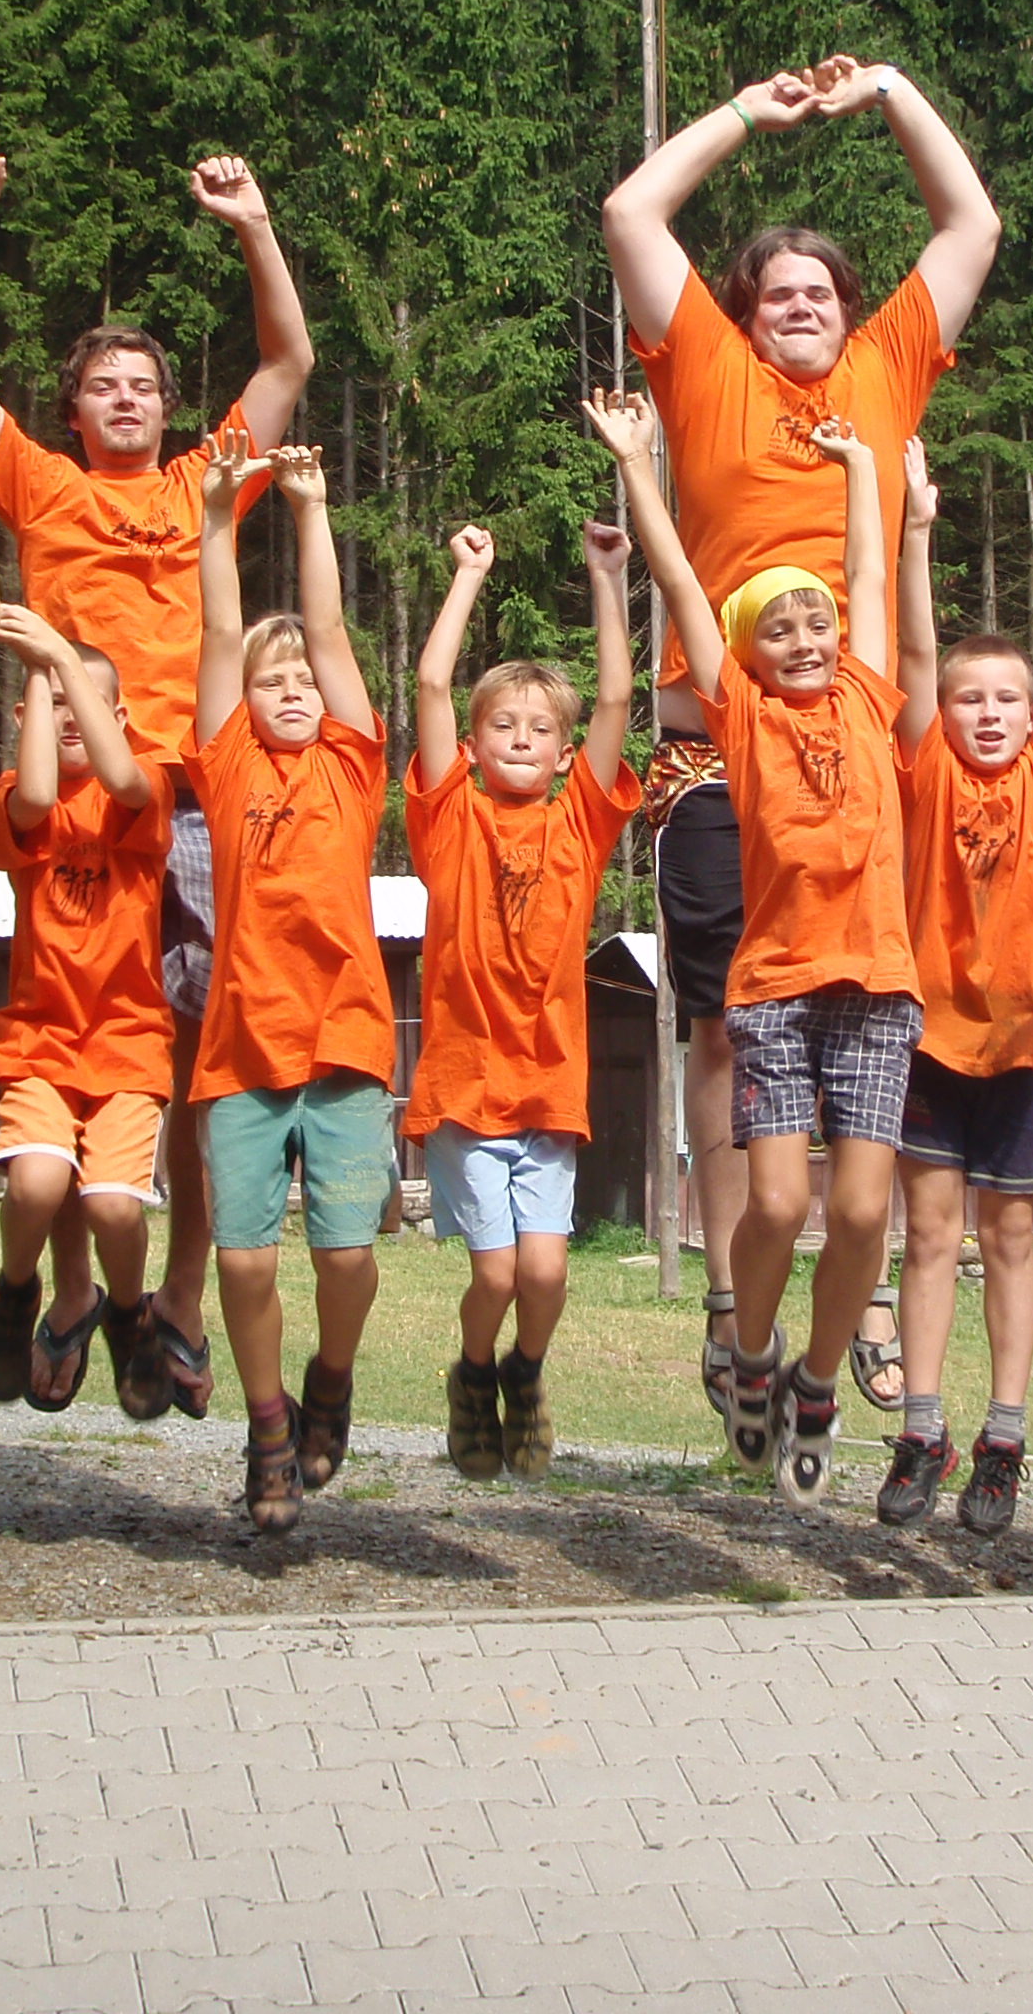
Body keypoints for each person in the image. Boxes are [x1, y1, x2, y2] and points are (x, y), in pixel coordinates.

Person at [600, 54, 999, 1427]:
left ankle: (859, 1291)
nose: (803, 305)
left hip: (860, 749)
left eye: (822, 289)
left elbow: (971, 225)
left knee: (871, 1005)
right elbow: (632, 214)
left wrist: (889, 89)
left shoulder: (888, 368)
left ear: (852, 306)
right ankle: (735, 1300)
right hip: (722, 753)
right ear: (746, 313)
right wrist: (743, 116)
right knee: (729, 1026)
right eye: (777, 292)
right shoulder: (707, 369)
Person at [0, 142, 315, 1422]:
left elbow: (288, 366)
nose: (129, 399)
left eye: (145, 384)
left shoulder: (206, 481)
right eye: (105, 385)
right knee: (74, 1029)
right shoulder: (43, 485)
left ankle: (178, 1305)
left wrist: (254, 225)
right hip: (73, 796)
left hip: (189, 796)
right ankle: (77, 1290)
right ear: (76, 410)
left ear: (167, 405)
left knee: (193, 1060)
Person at [587, 390, 909, 1508]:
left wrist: (860, 468)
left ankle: (817, 1380)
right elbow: (681, 580)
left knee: (860, 1213)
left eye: (817, 624)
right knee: (776, 1205)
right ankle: (756, 1351)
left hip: (879, 989)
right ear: (741, 655)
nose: (808, 640)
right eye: (780, 630)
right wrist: (640, 462)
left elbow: (868, 577)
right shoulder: (746, 718)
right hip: (774, 990)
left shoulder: (867, 697)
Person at [878, 443, 1033, 1534]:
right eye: (971, 699)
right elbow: (917, 651)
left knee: (1012, 1241)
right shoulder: (925, 771)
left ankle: (1004, 1438)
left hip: (1019, 1047)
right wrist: (916, 532)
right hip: (927, 1040)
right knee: (928, 1239)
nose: (991, 713)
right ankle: (922, 1430)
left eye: (1008, 698)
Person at [188, 433, 397, 1532]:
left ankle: (332, 1377)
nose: (291, 688)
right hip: (242, 1048)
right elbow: (223, 633)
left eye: (303, 679)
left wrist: (310, 507)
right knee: (243, 1260)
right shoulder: (226, 766)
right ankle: (268, 1424)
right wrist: (220, 516)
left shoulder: (352, 763)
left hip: (347, 1039)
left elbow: (328, 632)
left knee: (348, 1255)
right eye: (272, 683)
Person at [406, 517, 641, 1484]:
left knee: (545, 1273)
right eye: (503, 725)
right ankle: (472, 1373)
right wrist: (469, 575)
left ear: (564, 755)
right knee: (495, 1272)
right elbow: (430, 684)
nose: (521, 739)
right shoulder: (448, 818)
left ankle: (524, 1374)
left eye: (541, 730)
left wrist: (607, 578)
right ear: (472, 745)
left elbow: (618, 697)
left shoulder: (579, 824)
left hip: (547, 1089)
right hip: (466, 1088)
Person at [0, 609, 170, 1414]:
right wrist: (42, 670)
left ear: (119, 717)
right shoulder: (16, 798)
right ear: (26, 718)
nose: (69, 717)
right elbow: (35, 794)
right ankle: (15, 1294)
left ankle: (126, 1313)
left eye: (86, 703)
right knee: (35, 1184)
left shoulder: (142, 789)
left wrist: (57, 655)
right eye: (53, 704)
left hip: (128, 1041)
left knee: (114, 1206)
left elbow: (122, 780)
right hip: (40, 1038)